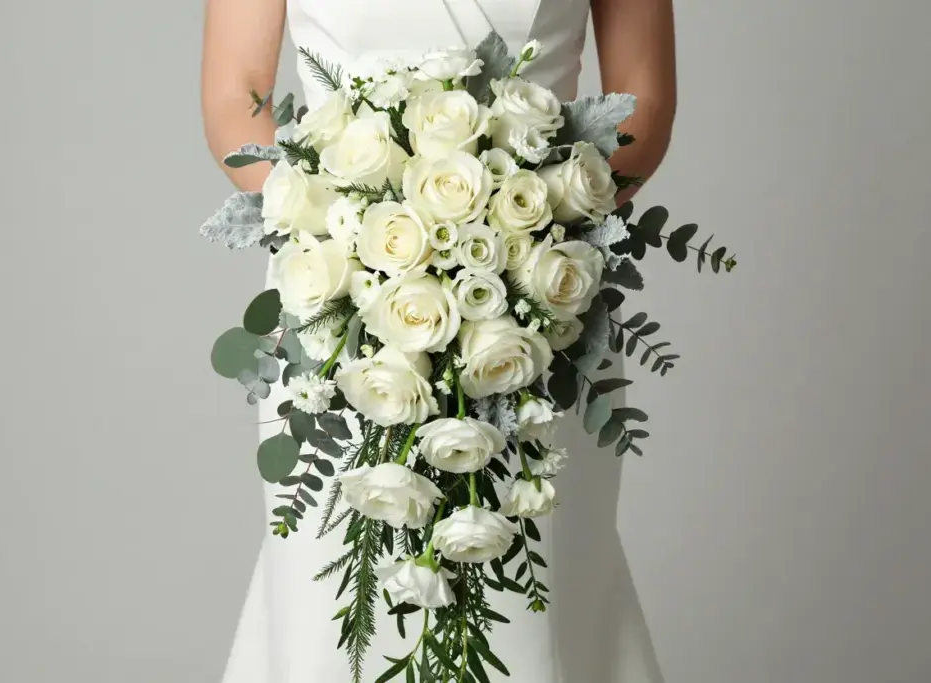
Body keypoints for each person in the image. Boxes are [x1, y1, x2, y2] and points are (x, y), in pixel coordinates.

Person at [202, 1, 675, 680]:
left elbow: (646, 99)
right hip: (340, 292)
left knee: (542, 593)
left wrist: (533, 218)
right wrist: (353, 231)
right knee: (326, 603)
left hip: (537, 297)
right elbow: (232, 91)